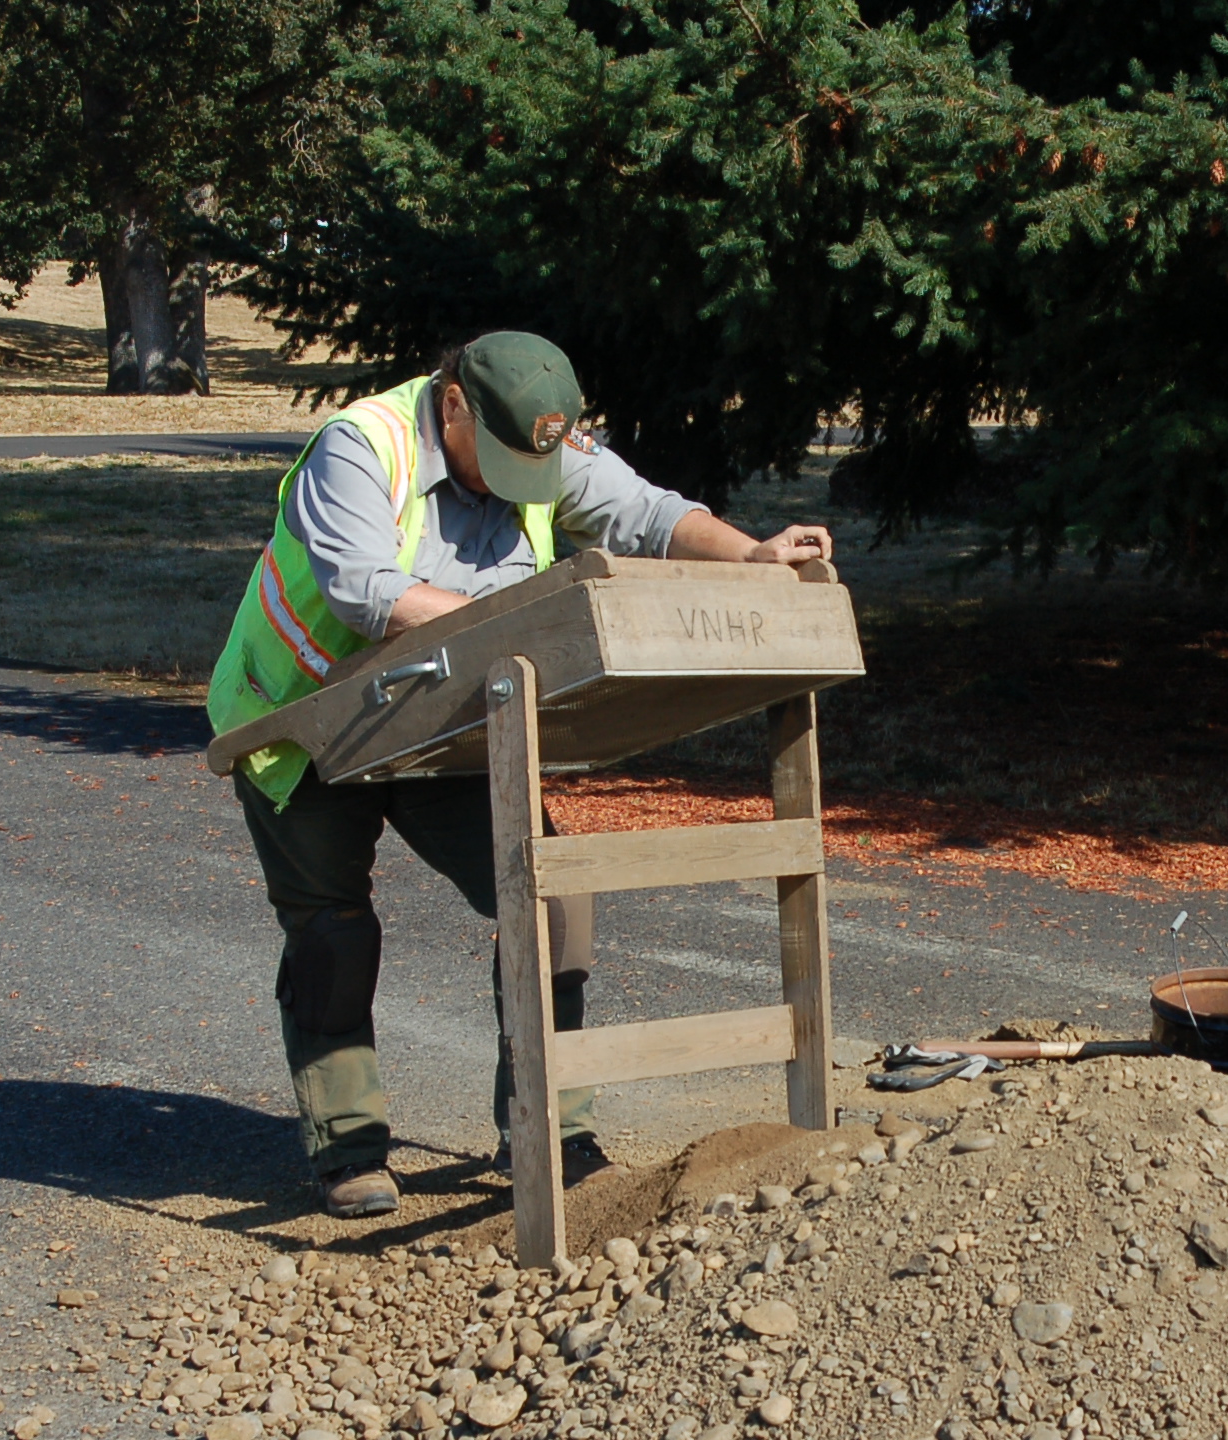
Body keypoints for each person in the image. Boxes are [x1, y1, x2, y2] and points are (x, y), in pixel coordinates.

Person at [209, 330, 834, 1219]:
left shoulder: (539, 437)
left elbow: (647, 513)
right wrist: (519, 629)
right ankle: (346, 1147)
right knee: (332, 935)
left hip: (451, 717)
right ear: (453, 401)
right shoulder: (362, 446)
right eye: (497, 458)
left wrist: (750, 555)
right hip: (307, 724)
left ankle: (550, 1124)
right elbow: (363, 591)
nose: (519, 482)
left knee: (551, 900)